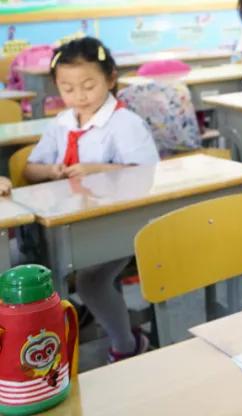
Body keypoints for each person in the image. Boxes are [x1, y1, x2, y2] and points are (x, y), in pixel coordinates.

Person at [24, 37, 158, 361]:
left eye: (88, 86)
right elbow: (29, 169)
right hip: (68, 223)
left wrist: (98, 170)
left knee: (91, 281)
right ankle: (69, 324)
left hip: (120, 222)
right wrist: (52, 170)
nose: (79, 97)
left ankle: (127, 344)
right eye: (67, 89)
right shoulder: (62, 123)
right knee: (22, 264)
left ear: (110, 79)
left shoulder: (125, 123)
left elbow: (148, 174)